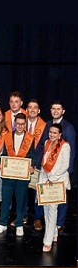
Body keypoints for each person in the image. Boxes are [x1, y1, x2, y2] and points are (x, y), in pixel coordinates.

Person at [0, 113, 37, 237]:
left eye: (22, 124)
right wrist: (1, 164)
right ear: (14, 124)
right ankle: (2, 223)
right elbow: (5, 153)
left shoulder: (30, 138)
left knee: (21, 200)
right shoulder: (7, 136)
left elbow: (32, 156)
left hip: (22, 175)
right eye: (17, 124)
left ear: (25, 125)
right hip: (8, 174)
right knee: (6, 199)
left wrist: (32, 165)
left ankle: (19, 224)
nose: (19, 126)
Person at [37, 100, 76, 234]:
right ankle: (51, 229)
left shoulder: (68, 128)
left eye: (58, 109)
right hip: (47, 171)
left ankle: (60, 223)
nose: (55, 111)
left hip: (61, 173)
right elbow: (43, 146)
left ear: (63, 111)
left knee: (61, 200)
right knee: (48, 204)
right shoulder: (48, 124)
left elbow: (71, 152)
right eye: (53, 109)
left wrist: (67, 172)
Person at [38, 123, 70, 252]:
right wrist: (42, 179)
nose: (52, 134)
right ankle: (54, 234)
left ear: (60, 134)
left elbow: (65, 165)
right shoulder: (46, 142)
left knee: (52, 210)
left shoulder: (65, 146)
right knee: (47, 210)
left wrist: (53, 178)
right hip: (45, 179)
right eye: (50, 132)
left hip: (57, 182)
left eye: (54, 133)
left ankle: (47, 241)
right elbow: (44, 163)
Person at [21, 99, 46, 231]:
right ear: (26, 109)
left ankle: (37, 218)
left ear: (39, 110)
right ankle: (22, 216)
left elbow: (44, 146)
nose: (32, 110)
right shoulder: (20, 123)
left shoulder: (44, 125)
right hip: (24, 162)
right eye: (29, 107)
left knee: (37, 193)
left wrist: (36, 163)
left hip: (38, 164)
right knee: (23, 191)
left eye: (35, 108)